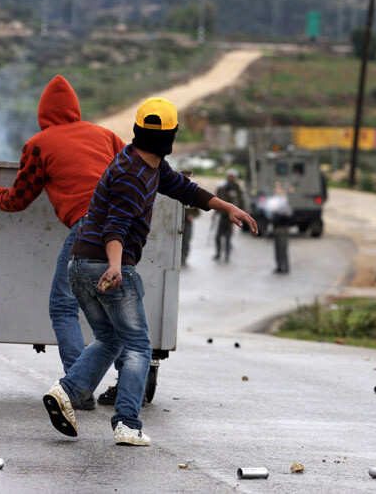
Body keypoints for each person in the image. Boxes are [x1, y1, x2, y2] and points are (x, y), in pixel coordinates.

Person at [42, 97, 258, 446]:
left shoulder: (146, 163)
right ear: (171, 135)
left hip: (81, 265)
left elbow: (185, 189)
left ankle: (66, 391)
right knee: (138, 346)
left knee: (110, 339)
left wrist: (226, 206)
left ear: (138, 130)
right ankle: (127, 423)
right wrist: (115, 266)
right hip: (106, 265)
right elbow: (115, 226)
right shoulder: (132, 174)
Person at [0, 75, 125, 410]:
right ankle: (127, 381)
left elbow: (19, 199)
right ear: (76, 109)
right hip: (121, 232)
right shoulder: (106, 135)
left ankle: (79, 388)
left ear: (42, 114)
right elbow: (133, 171)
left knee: (63, 306)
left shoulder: (39, 144)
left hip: (87, 227)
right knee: (117, 309)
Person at [213, 169, 243, 262]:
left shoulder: (237, 188)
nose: (231, 178)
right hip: (223, 216)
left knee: (228, 237)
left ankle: (227, 255)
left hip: (231, 217)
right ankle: (218, 253)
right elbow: (217, 200)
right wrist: (215, 213)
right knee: (218, 236)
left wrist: (239, 216)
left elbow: (240, 201)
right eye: (230, 176)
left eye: (232, 177)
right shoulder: (223, 187)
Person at [264, 193, 292, 274]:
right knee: (277, 250)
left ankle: (285, 267)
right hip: (277, 231)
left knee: (283, 250)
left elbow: (288, 217)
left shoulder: (285, 210)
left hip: (283, 232)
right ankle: (279, 266)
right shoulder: (276, 209)